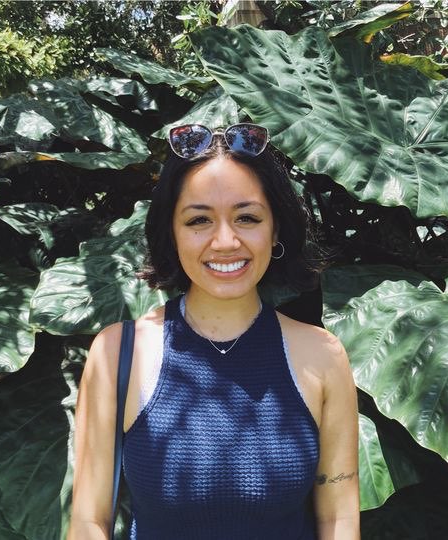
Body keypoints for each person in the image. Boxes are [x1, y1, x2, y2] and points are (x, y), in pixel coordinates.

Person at [69, 123, 360, 540]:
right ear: (172, 232)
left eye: (247, 217)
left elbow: (338, 520)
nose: (225, 241)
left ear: (275, 229)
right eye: (199, 220)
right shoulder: (118, 354)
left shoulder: (323, 356)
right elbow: (88, 522)